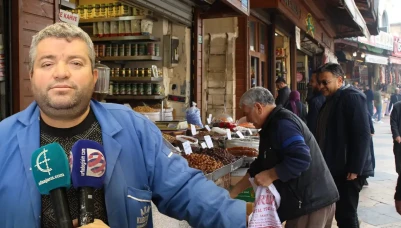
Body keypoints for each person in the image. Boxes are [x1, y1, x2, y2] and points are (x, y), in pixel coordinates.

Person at [0, 23, 246, 228]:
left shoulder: (134, 128)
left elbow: (186, 190)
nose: (61, 73)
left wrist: (252, 221)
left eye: (76, 63)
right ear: (31, 75)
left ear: (95, 76)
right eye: (47, 63)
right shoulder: (3, 139)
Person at [231, 87, 339, 228]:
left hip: (311, 202)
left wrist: (271, 175)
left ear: (258, 107)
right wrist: (233, 193)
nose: (248, 119)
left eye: (247, 113)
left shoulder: (283, 124)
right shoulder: (271, 125)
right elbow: (259, 166)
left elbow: (301, 158)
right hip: (305, 201)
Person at [316, 63, 373, 228]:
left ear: (339, 80)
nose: (321, 86)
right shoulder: (332, 99)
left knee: (346, 214)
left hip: (349, 170)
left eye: (325, 82)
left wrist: (355, 168)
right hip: (338, 167)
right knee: (343, 213)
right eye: (319, 82)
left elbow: (362, 134)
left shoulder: (351, 97)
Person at [390, 98, 401, 174]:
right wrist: (396, 135)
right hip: (400, 140)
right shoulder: (397, 106)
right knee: (400, 163)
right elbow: (393, 122)